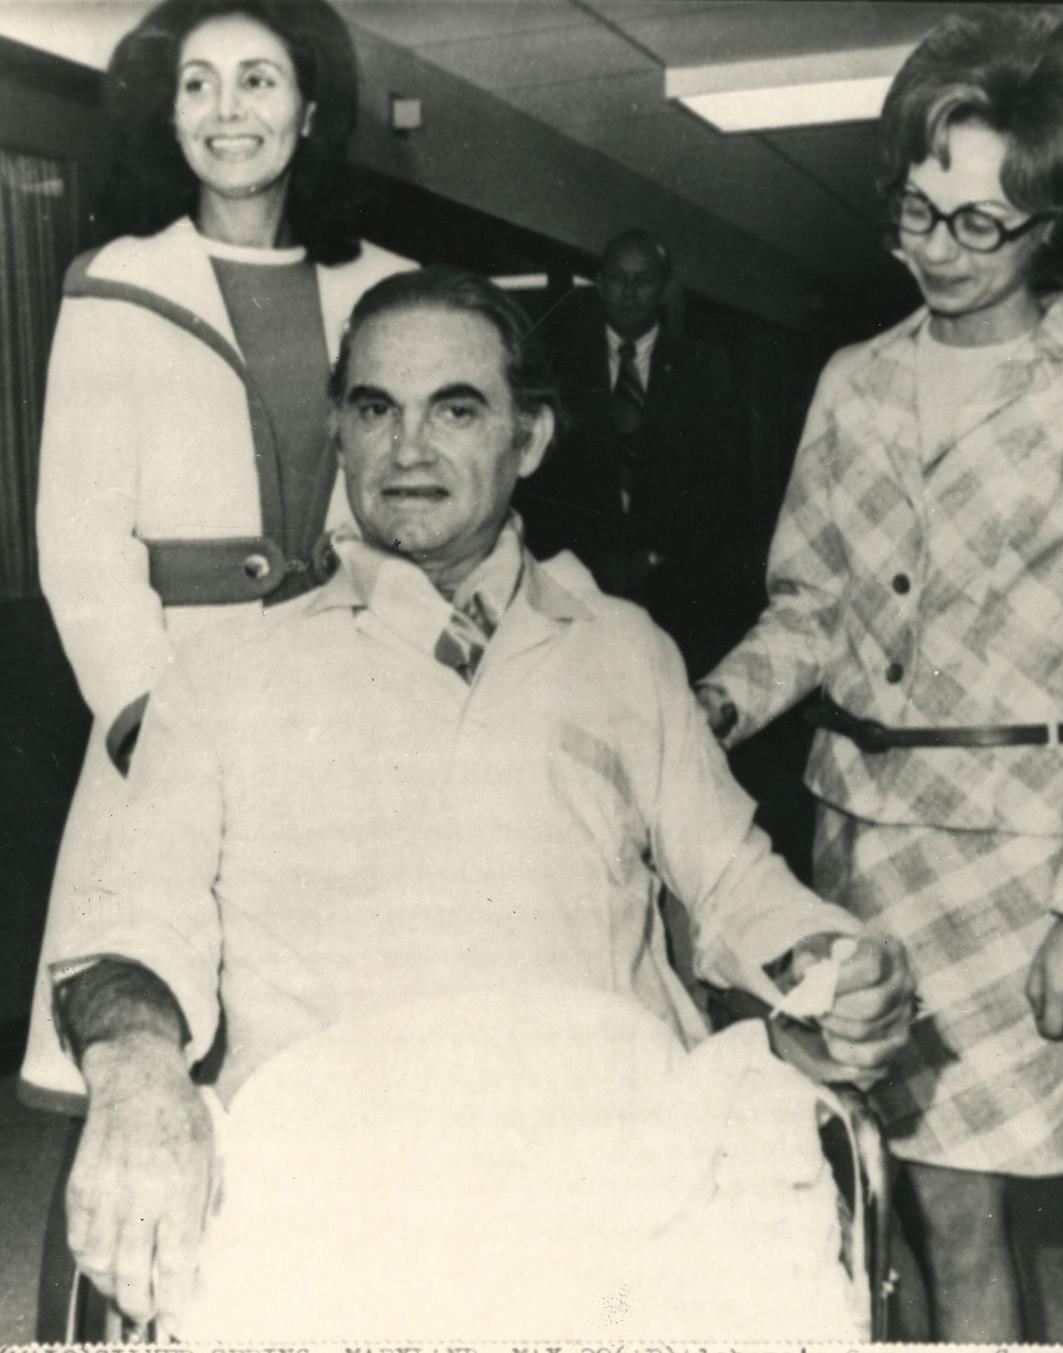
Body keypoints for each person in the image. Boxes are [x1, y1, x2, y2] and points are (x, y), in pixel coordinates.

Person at [47, 267, 914, 1335]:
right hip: (343, 1162)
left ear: (532, 439)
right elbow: (127, 921)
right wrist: (137, 1075)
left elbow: (737, 883)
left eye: (455, 409)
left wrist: (830, 968)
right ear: (342, 434)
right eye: (376, 410)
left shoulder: (625, 654)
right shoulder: (225, 675)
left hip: (618, 1147)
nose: (408, 449)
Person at [696, 8, 1063, 1341]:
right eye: (920, 211)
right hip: (855, 844)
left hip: (1018, 870)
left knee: (962, 1211)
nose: (941, 250)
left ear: (1054, 224)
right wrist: (714, 703)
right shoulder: (853, 383)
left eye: (982, 225)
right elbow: (810, 605)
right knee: (860, 1189)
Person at [22, 0, 415, 1112]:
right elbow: (79, 534)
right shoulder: (116, 286)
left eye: (256, 79)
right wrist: (145, 715)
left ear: (309, 110)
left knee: (335, 1029)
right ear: (167, 113)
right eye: (197, 83)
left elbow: (407, 509)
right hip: (171, 694)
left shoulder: (386, 286)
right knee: (156, 1024)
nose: (225, 110)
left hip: (342, 687)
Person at [517, 229, 757, 676]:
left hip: (677, 591)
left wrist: (651, 557)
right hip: (577, 585)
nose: (628, 292)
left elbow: (723, 485)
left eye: (643, 279)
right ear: (601, 283)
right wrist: (591, 560)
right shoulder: (557, 366)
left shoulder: (705, 370)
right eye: (617, 277)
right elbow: (538, 483)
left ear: (664, 288)